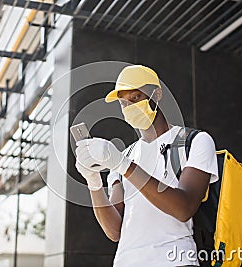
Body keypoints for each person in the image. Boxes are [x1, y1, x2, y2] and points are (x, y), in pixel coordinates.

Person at [75, 65, 219, 267]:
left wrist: (125, 166)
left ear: (157, 94)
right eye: (123, 103)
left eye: (135, 98)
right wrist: (94, 182)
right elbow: (115, 231)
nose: (129, 107)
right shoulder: (124, 155)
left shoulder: (194, 141)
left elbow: (183, 208)